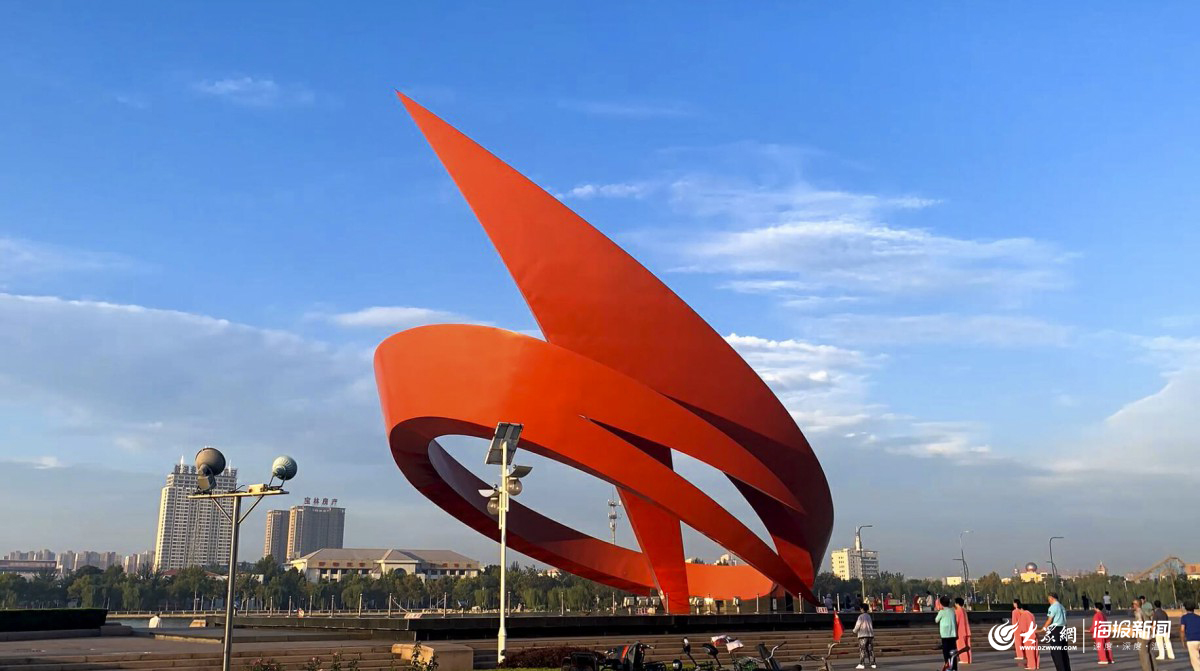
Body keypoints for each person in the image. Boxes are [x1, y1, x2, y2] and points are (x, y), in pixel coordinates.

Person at [1043, 592, 1071, 671]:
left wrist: (1043, 628)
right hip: (1063, 629)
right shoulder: (1062, 606)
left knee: (1056, 652)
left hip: (1056, 630)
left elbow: (1050, 620)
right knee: (1063, 651)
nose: (1049, 601)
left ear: (1052, 598)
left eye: (1049, 599)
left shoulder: (1053, 607)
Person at [1015, 599, 1040, 669]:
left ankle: (1031, 665)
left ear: (1021, 608)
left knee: (1029, 651)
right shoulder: (1031, 614)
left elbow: (1023, 627)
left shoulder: (1024, 615)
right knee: (1035, 651)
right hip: (1033, 633)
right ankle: (1036, 665)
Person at [937, 596, 959, 671]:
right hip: (953, 634)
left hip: (945, 635)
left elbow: (936, 620)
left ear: (941, 604)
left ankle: (947, 666)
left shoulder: (941, 612)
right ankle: (954, 667)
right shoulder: (952, 611)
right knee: (953, 652)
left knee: (946, 652)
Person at [1134, 598, 1157, 671]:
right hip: (1148, 634)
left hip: (1142, 635)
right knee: (1150, 652)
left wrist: (1136, 631)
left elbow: (1140, 623)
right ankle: (1154, 668)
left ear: (1136, 605)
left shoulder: (1138, 612)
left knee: (1144, 654)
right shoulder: (1145, 611)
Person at [855, 602, 877, 669]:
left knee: (862, 649)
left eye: (860, 608)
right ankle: (873, 663)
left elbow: (858, 625)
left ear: (862, 609)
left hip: (863, 635)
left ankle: (862, 663)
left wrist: (854, 631)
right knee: (870, 650)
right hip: (870, 635)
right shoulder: (869, 616)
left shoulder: (860, 617)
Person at [1180, 601, 1200, 671]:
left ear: (1185, 608)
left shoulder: (1184, 618)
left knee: (1195, 660)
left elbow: (1182, 630)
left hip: (1191, 640)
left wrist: (1183, 641)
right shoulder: (1198, 617)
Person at [954, 597, 973, 664]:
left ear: (957, 603)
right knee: (967, 646)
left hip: (960, 631)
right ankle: (969, 659)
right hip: (966, 630)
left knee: (961, 646)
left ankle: (964, 659)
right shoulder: (964, 610)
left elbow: (956, 621)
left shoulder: (957, 611)